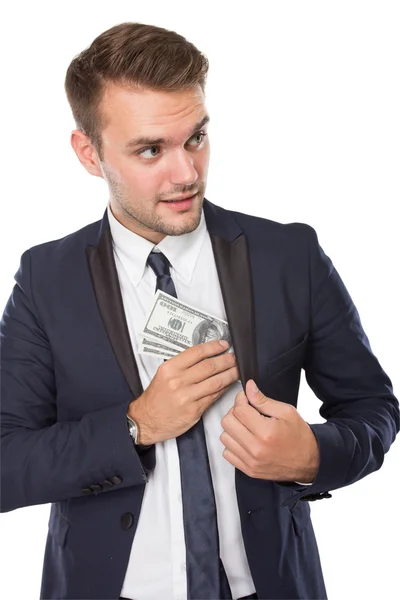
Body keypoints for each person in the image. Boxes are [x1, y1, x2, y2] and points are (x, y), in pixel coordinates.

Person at [0, 21, 398, 600]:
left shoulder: (289, 256)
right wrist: (135, 425)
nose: (187, 173)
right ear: (89, 153)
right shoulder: (46, 279)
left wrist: (313, 455)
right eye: (151, 150)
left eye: (196, 137)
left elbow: (373, 409)